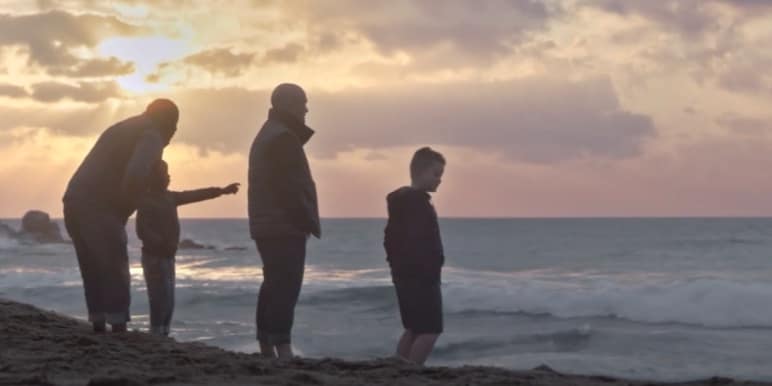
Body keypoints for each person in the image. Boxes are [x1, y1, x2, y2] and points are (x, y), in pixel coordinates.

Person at [63, 99, 179, 333]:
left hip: (73, 200)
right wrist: (132, 205)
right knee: (115, 266)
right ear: (168, 122)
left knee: (92, 267)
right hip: (98, 206)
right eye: (174, 127)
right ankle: (118, 327)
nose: (173, 134)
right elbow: (135, 175)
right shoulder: (152, 134)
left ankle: (98, 322)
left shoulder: (124, 126)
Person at [248, 83, 320, 359]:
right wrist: (305, 220)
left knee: (273, 284)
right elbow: (290, 187)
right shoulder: (282, 137)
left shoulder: (271, 134)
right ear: (288, 105)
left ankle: (267, 344)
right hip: (282, 224)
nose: (306, 108)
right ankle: (282, 346)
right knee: (285, 286)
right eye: (302, 102)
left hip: (268, 223)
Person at [136, 160, 239, 336]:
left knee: (168, 298)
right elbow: (142, 229)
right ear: (153, 178)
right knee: (159, 298)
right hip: (154, 257)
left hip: (168, 256)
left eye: (168, 173)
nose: (168, 177)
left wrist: (221, 191)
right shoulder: (147, 201)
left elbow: (195, 195)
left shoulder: (170, 198)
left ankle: (164, 332)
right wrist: (160, 244)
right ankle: (156, 333)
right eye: (163, 173)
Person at [384, 147, 446, 365]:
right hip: (421, 278)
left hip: (405, 277)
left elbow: (390, 240)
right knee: (429, 330)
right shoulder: (416, 204)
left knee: (413, 328)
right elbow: (419, 242)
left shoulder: (402, 203)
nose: (440, 180)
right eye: (436, 174)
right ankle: (411, 371)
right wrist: (428, 270)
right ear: (420, 172)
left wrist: (397, 270)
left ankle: (398, 368)